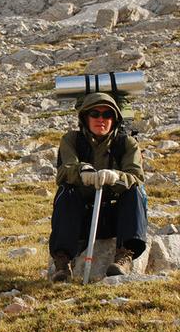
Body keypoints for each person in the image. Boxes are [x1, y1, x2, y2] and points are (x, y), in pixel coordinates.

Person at [49, 92, 147, 282]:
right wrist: (82, 172)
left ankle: (124, 256)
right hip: (81, 218)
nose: (101, 119)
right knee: (66, 191)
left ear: (115, 119)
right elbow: (64, 171)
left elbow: (136, 176)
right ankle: (62, 262)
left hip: (116, 218)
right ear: (85, 117)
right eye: (94, 114)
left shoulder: (127, 143)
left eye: (107, 115)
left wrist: (115, 177)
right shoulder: (71, 140)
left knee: (135, 191)